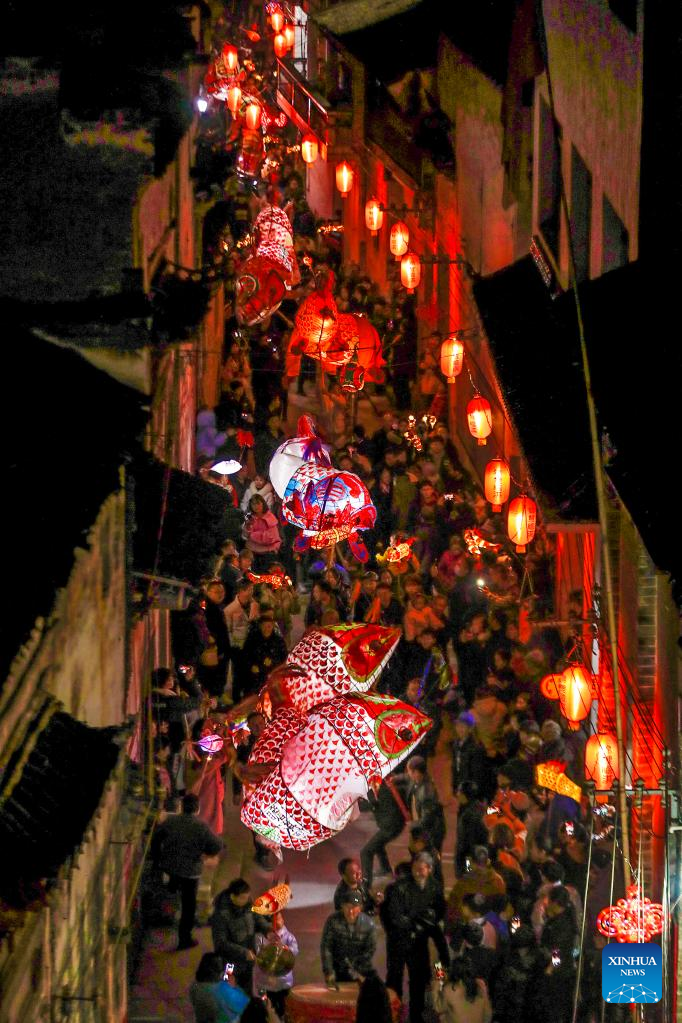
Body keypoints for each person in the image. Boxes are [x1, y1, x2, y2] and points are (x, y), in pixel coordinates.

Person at [382, 853, 448, 1023]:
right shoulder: (400, 888)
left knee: (418, 982)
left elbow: (439, 911)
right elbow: (395, 916)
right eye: (415, 868)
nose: (417, 872)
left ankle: (416, 1015)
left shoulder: (434, 888)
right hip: (399, 940)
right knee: (394, 979)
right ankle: (393, 1013)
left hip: (419, 942)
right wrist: (419, 922)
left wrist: (423, 923)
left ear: (430, 869)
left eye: (421, 869)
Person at [151, 793, 223, 950]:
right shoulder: (200, 827)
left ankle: (169, 907)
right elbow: (217, 845)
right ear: (197, 809)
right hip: (190, 872)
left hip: (170, 867)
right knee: (189, 906)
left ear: (182, 807)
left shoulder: (171, 821)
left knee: (172, 888)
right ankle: (184, 939)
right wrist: (205, 854)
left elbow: (156, 839)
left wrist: (158, 860)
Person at [211, 879, 268, 990]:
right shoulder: (221, 916)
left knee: (246, 987)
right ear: (232, 896)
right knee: (228, 988)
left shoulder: (247, 903)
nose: (246, 900)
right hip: (230, 962)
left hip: (248, 959)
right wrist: (243, 952)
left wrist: (268, 929)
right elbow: (220, 943)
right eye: (243, 898)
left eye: (247, 897)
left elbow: (257, 918)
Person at [360, 772, 410, 886]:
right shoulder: (386, 784)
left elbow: (365, 806)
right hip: (397, 824)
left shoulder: (376, 792)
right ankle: (385, 869)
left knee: (366, 852)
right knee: (378, 844)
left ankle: (366, 883)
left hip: (390, 827)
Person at [320, 890, 377, 985]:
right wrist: (329, 971)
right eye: (347, 907)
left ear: (360, 908)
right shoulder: (332, 922)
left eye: (354, 907)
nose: (351, 911)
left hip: (360, 971)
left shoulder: (368, 924)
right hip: (338, 970)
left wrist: (358, 969)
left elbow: (369, 950)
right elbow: (326, 947)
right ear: (342, 907)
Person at [252, 910, 298, 1019]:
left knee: (284, 1008)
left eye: (280, 918)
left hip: (284, 980)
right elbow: (258, 954)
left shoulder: (288, 936)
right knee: (268, 1009)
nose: (279, 921)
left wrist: (288, 949)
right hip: (266, 980)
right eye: (276, 919)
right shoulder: (261, 937)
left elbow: (295, 949)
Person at [224, 580, 260, 702]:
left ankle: (249, 698)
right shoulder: (230, 610)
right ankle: (236, 701)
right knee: (238, 676)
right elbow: (227, 631)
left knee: (252, 674)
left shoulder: (255, 605)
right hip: (238, 648)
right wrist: (233, 647)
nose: (251, 592)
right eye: (248, 590)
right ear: (240, 591)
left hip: (253, 646)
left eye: (252, 590)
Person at [190, 953, 251, 1023]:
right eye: (220, 970)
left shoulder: (195, 986)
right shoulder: (213, 997)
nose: (222, 973)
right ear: (212, 972)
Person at [431, 957, 492, 1023]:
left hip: (441, 978)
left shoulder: (450, 989)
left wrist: (436, 986)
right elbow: (488, 1015)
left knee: (442, 1016)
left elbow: (438, 1008)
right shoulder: (481, 984)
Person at [240, 613, 288, 697]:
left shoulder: (279, 641)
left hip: (272, 676)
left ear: (273, 626)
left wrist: (273, 661)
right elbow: (245, 655)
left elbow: (284, 659)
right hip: (255, 677)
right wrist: (251, 666)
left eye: (269, 626)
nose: (266, 629)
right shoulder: (252, 639)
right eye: (264, 627)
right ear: (260, 626)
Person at [406, 755, 446, 851]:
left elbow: (427, 819)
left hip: (431, 832)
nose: (408, 774)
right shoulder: (418, 780)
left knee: (430, 860)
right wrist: (394, 779)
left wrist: (412, 825)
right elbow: (405, 778)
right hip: (425, 830)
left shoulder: (427, 792)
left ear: (416, 772)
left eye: (409, 771)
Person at [242, 494, 282, 572]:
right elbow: (245, 535)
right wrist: (248, 527)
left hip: (268, 553)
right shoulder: (250, 518)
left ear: (263, 504)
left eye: (258, 503)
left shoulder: (270, 517)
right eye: (253, 504)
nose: (256, 506)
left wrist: (253, 535)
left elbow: (270, 537)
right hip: (252, 553)